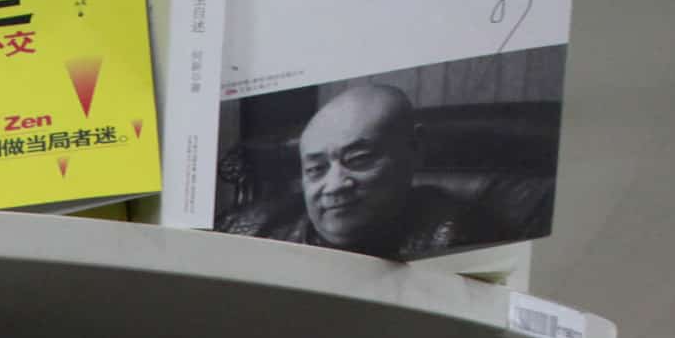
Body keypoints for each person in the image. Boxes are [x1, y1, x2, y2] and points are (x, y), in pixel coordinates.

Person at [222, 82, 540, 261]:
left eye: (359, 159)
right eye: (316, 169)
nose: (334, 185)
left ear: (415, 150)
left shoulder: (465, 237)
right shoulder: (245, 230)